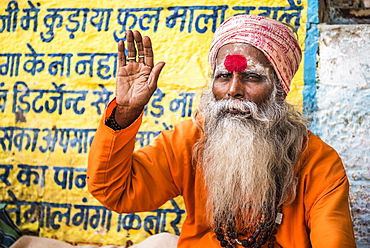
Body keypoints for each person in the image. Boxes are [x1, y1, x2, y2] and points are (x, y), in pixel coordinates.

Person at [87, 14, 356, 248]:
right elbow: (116, 191)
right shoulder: (189, 141)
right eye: (224, 76)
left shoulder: (319, 163)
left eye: (252, 77)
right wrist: (125, 113)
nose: (233, 90)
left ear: (280, 91)